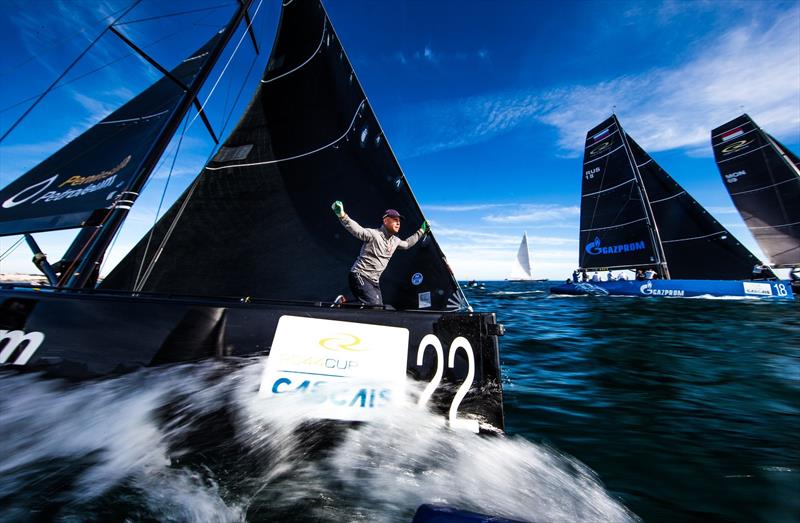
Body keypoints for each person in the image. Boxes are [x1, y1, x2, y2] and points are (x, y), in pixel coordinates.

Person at [332, 201, 428, 306]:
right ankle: (341, 305)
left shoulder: (395, 241)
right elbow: (357, 230)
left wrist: (421, 231)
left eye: (399, 221)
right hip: (359, 275)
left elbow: (407, 244)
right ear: (386, 221)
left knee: (379, 308)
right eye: (395, 220)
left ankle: (342, 303)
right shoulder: (374, 234)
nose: (398, 223)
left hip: (374, 282)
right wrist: (342, 215)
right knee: (373, 305)